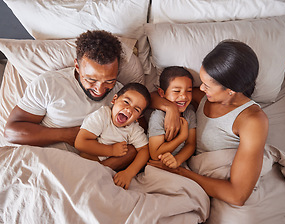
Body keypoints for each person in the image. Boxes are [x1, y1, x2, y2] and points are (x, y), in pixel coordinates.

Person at [148, 40, 269, 206]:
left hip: (224, 189)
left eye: (207, 85)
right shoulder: (203, 98)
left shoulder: (253, 121)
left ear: (231, 90)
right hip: (195, 178)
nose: (201, 88)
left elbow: (238, 195)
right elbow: (153, 96)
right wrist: (171, 109)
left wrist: (179, 172)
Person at [3, 30, 139, 168]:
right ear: (77, 67)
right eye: (91, 80)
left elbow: (140, 130)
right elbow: (11, 132)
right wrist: (67, 135)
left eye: (110, 81)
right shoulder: (49, 84)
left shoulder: (122, 96)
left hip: (92, 166)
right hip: (47, 161)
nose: (99, 89)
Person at [75, 82, 151, 189]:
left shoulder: (133, 129)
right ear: (114, 99)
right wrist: (111, 150)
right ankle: (94, 174)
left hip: (111, 168)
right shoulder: (103, 115)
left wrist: (129, 173)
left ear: (139, 116)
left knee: (132, 151)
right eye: (126, 102)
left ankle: (100, 174)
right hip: (89, 160)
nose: (129, 110)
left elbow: (145, 150)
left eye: (136, 109)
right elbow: (80, 143)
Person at [148, 66, 196, 169]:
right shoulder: (159, 116)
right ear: (162, 93)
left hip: (180, 164)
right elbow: (155, 154)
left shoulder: (189, 113)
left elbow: (191, 144)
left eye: (189, 91)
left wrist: (177, 160)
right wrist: (182, 137)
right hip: (157, 166)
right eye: (177, 91)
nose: (184, 96)